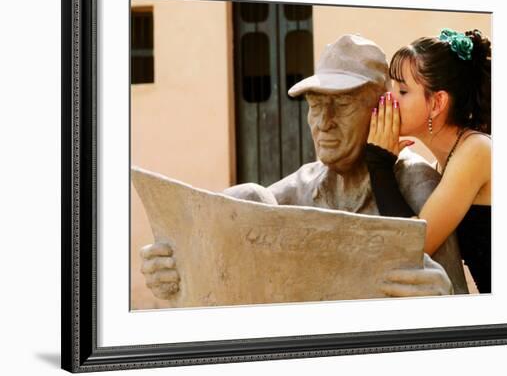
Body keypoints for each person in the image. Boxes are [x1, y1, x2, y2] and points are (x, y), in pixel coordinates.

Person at [140, 34, 463, 302]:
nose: (324, 122)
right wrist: (177, 265)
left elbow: (459, 304)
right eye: (316, 105)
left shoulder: (417, 183)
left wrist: (441, 299)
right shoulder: (299, 187)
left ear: (383, 110)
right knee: (245, 196)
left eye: (343, 103)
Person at [364, 28, 492, 293]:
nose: (389, 100)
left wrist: (378, 164)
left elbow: (415, 248)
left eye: (402, 90)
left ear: (437, 103)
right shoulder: (442, 165)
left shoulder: (477, 151)